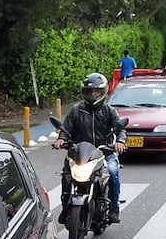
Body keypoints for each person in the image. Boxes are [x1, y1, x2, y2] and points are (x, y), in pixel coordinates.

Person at [54, 73, 127, 223]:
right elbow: (66, 129)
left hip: (104, 152)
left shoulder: (109, 111)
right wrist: (61, 139)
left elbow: (120, 129)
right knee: (66, 175)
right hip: (79, 154)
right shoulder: (76, 111)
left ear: (103, 92)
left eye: (96, 92)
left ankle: (114, 207)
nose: (93, 95)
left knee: (113, 172)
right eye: (89, 92)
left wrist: (120, 141)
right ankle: (65, 207)